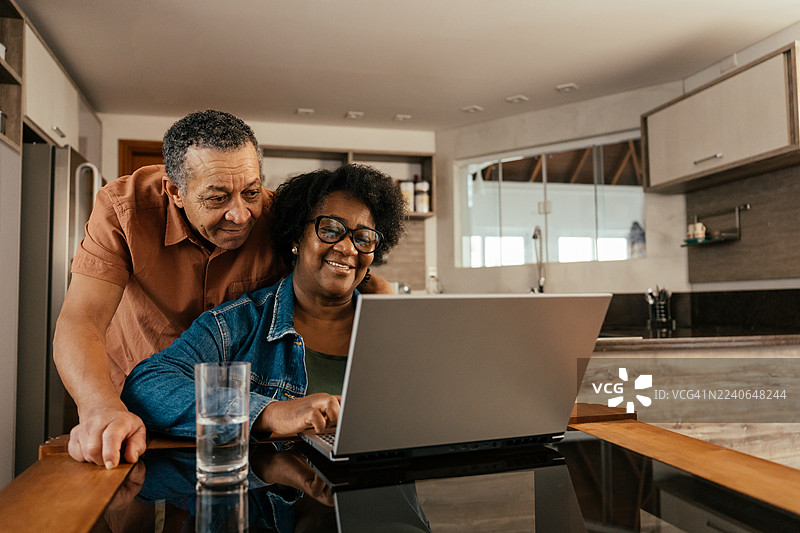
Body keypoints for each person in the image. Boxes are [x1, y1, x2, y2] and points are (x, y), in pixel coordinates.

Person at [54, 110, 392, 469]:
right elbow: (82, 319)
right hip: (134, 401)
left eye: (250, 192)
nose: (241, 214)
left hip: (234, 416)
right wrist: (100, 408)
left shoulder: (276, 214)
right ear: (176, 192)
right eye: (217, 198)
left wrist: (381, 302)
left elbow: (335, 258)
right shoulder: (125, 209)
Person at [121, 163, 405, 439]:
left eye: (363, 237)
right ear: (297, 236)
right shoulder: (238, 324)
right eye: (329, 230)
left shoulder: (394, 326)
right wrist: (269, 413)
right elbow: (146, 386)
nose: (347, 247)